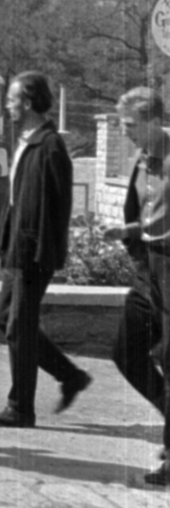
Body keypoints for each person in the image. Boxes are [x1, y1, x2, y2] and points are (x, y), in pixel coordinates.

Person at [0, 71, 89, 430]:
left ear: (27, 103)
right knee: (6, 320)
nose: (8, 107)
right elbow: (17, 200)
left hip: (33, 252)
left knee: (19, 326)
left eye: (12, 101)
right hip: (18, 247)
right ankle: (70, 375)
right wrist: (4, 240)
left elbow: (58, 208)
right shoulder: (26, 140)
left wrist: (45, 252)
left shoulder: (50, 146)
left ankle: (20, 409)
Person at [107, 88, 170, 487]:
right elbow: (145, 211)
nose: (124, 132)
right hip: (148, 267)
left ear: (151, 121)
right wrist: (130, 231)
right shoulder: (142, 158)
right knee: (125, 350)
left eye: (130, 125)